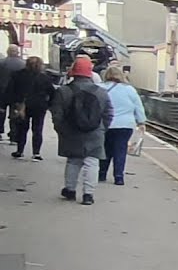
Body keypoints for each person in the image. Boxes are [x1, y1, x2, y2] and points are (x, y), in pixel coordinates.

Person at [50, 56, 112, 205]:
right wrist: (102, 129)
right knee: (92, 162)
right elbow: (109, 113)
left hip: (71, 132)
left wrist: (61, 130)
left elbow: (57, 114)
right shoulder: (101, 92)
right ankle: (88, 195)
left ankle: (70, 190)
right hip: (95, 132)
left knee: (73, 161)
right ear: (90, 73)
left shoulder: (63, 91)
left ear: (73, 72)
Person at [98, 64, 146, 185]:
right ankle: (119, 177)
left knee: (105, 149)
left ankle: (102, 174)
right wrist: (141, 121)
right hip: (125, 125)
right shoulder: (129, 89)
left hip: (105, 124)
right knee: (120, 150)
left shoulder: (99, 88)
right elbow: (138, 107)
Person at [7, 56, 56, 159]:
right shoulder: (44, 78)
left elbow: (10, 90)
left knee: (22, 129)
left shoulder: (18, 75)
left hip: (23, 106)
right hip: (39, 106)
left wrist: (10, 103)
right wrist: (49, 105)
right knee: (37, 129)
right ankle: (36, 153)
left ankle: (20, 151)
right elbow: (52, 92)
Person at [0, 44, 24, 142]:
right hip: (17, 93)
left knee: (1, 112)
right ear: (17, 52)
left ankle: (0, 132)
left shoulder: (1, 63)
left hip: (2, 91)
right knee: (14, 113)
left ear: (8, 52)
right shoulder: (23, 64)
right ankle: (13, 134)